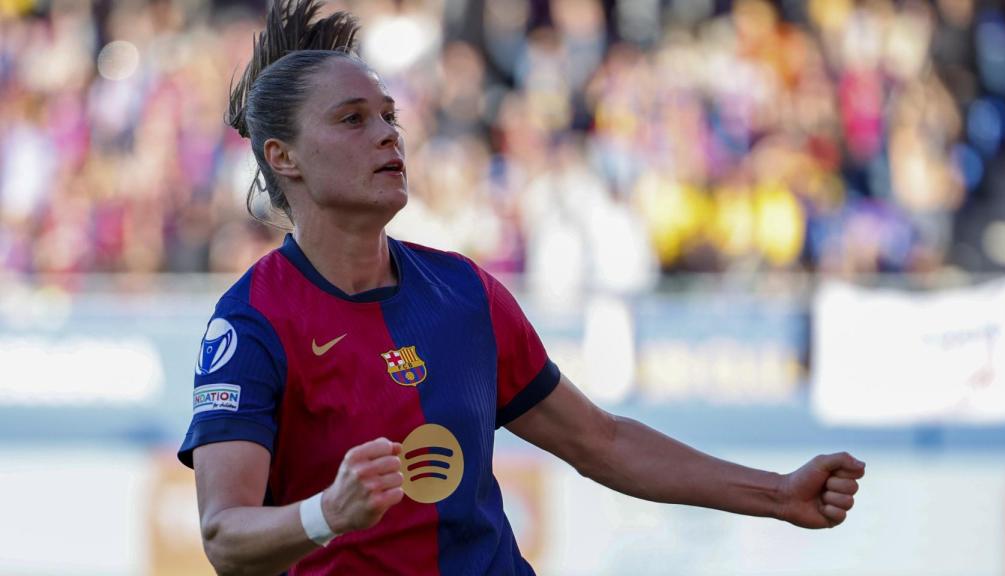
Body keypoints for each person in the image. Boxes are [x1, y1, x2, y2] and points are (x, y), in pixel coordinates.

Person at [178, 1, 866, 574]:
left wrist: (777, 494)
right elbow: (225, 536)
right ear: (283, 157)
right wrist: (326, 513)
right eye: (353, 119)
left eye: (390, 115)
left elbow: (605, 442)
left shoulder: (466, 293)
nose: (388, 134)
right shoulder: (251, 323)